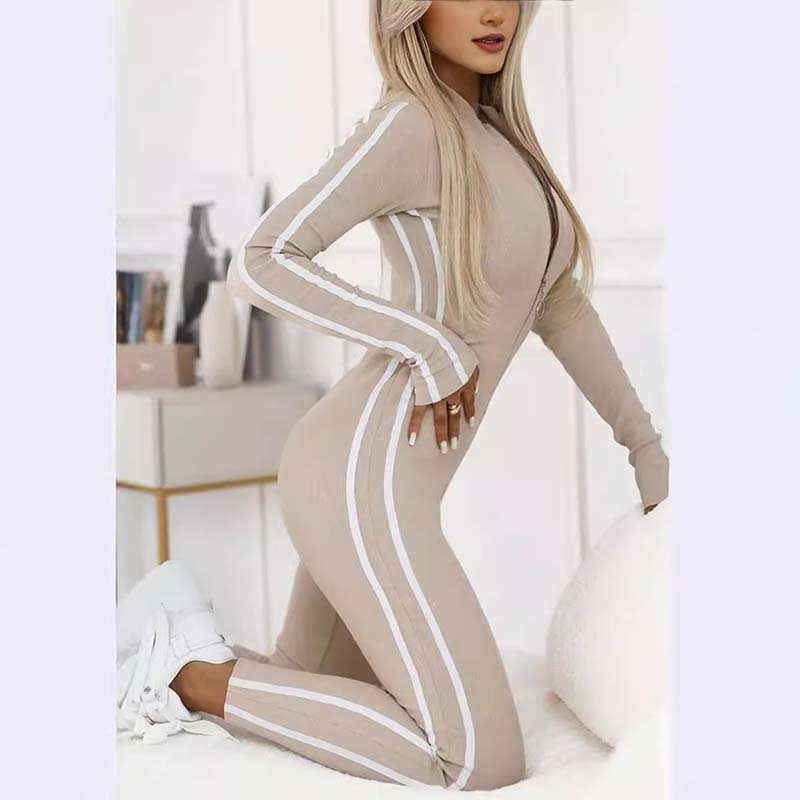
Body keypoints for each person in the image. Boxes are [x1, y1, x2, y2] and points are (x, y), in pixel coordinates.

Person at [116, 0, 668, 790]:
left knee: (299, 680)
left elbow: (560, 305)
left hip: (377, 482)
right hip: (359, 479)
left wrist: (645, 447)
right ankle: (188, 676)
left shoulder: (500, 138)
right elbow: (264, 259)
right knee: (477, 760)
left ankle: (170, 651)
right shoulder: (409, 124)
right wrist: (427, 342)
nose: (494, 10)